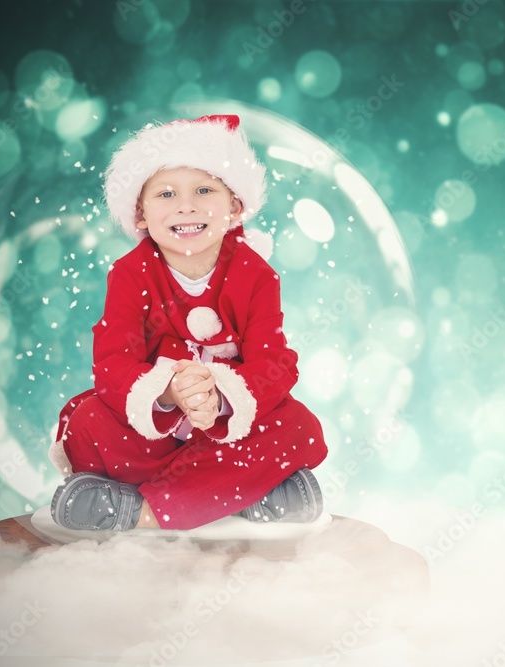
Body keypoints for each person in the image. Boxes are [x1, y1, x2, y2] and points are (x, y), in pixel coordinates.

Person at [47, 114, 327, 531]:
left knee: (299, 427)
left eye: (203, 190)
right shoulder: (129, 273)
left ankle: (140, 512)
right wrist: (167, 393)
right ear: (140, 213)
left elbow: (275, 362)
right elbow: (112, 364)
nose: (186, 206)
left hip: (226, 429)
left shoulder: (256, 274)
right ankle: (240, 494)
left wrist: (222, 397)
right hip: (153, 435)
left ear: (233, 207)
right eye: (165, 194)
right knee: (86, 423)